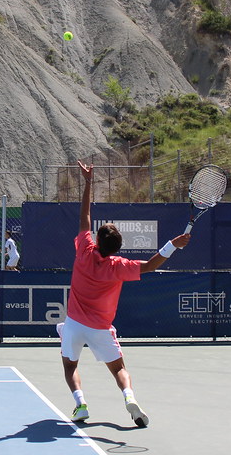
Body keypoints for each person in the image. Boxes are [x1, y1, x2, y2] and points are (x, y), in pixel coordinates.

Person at [60, 160, 190, 427]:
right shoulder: (119, 266)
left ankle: (80, 404)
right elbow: (151, 265)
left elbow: (84, 218)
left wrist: (87, 182)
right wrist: (173, 244)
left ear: (97, 241)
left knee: (70, 367)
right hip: (100, 329)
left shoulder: (84, 250)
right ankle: (129, 398)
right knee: (119, 368)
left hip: (73, 325)